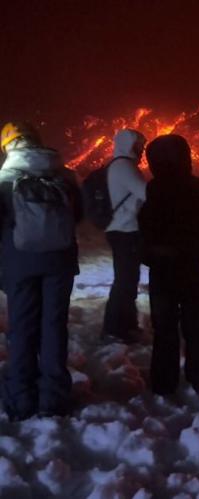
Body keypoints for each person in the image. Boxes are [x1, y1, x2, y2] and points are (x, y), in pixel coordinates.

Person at [0, 122, 82, 419]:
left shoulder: (4, 177)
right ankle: (53, 399)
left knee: (22, 329)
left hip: (19, 263)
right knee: (54, 327)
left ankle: (21, 399)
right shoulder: (64, 173)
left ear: (8, 144)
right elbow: (79, 215)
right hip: (59, 262)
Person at [137, 134, 199, 396]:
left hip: (163, 270)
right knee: (195, 323)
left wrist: (154, 254)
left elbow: (144, 236)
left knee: (164, 327)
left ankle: (164, 382)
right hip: (191, 266)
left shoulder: (154, 193)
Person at [102, 129, 147, 344]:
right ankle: (115, 328)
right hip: (125, 230)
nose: (142, 151)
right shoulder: (125, 167)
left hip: (120, 228)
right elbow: (147, 194)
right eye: (139, 146)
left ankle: (124, 326)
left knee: (127, 280)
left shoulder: (118, 165)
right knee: (125, 282)